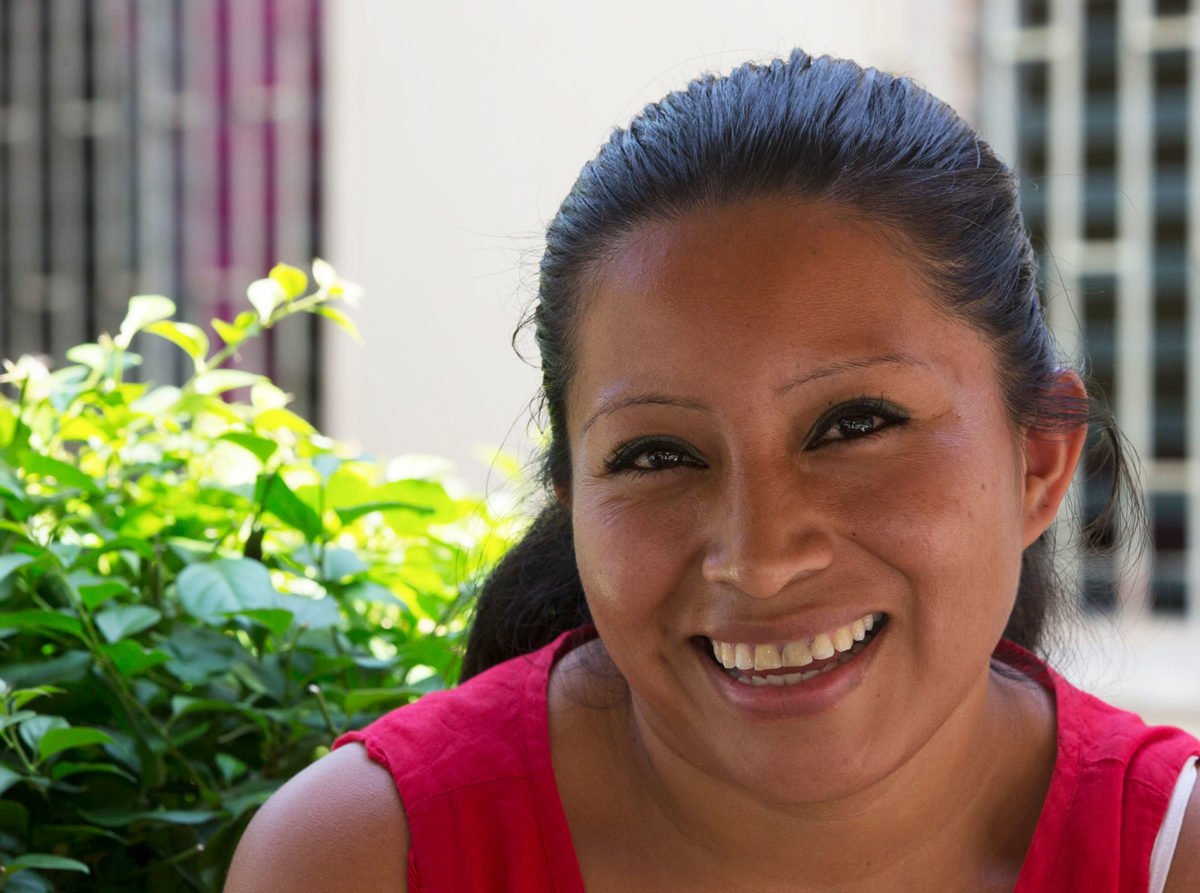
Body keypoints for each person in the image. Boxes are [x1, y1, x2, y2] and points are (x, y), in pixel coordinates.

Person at [225, 49, 1200, 891]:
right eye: (656, 455)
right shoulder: (361, 858)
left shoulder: (1173, 854)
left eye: (855, 424)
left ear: (1037, 458)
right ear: (575, 503)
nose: (760, 555)